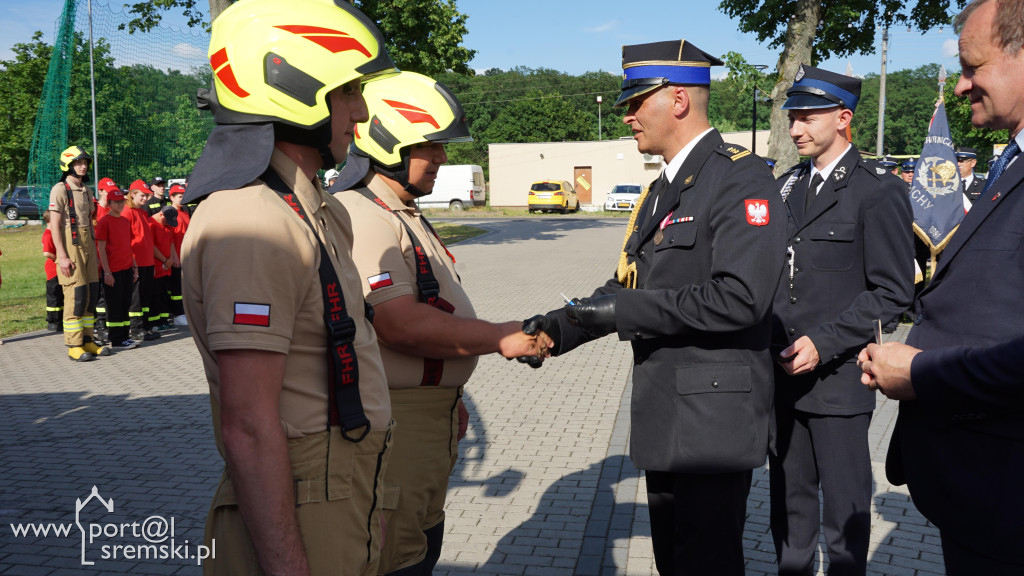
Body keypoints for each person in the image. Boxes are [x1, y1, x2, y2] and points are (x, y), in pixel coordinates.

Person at [523, 39, 786, 575]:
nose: (627, 115)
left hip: (712, 424)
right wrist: (558, 327)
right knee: (674, 561)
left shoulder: (741, 176)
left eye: (637, 101)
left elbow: (741, 298)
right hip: (669, 416)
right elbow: (630, 283)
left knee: (705, 563)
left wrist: (622, 313)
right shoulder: (666, 185)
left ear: (680, 101)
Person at [179, 1, 400, 573]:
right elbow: (249, 425)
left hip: (336, 483)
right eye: (348, 91)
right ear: (292, 85)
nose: (360, 110)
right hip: (304, 490)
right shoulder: (252, 221)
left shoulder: (310, 210)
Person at [331, 70, 547, 576]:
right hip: (398, 425)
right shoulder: (365, 216)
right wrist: (500, 336)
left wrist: (446, 398)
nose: (443, 158)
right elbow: (399, 323)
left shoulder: (400, 211)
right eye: (432, 146)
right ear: (388, 143)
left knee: (420, 544)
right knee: (396, 557)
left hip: (427, 417)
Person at [858, 0, 1024, 572]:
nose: (960, 86)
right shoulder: (1011, 162)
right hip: (982, 496)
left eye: (973, 66)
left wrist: (921, 371)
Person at [768, 65, 914, 576]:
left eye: (807, 117)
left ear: (844, 118)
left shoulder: (877, 190)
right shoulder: (784, 186)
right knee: (788, 514)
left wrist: (823, 342)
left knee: (844, 518)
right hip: (782, 379)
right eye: (792, 117)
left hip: (837, 382)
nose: (795, 129)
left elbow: (892, 292)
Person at [47, 145, 108, 361]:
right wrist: (62, 256)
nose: (83, 166)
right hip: (70, 244)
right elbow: (54, 226)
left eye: (85, 163)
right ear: (68, 165)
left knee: (91, 293)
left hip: (88, 243)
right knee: (76, 294)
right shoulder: (60, 189)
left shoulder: (87, 189)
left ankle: (88, 340)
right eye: (78, 163)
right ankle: (74, 345)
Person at [94, 187, 139, 350]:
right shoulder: (104, 221)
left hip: (126, 268)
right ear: (110, 203)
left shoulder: (125, 221)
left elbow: (128, 246)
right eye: (117, 202)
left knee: (125, 303)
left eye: (122, 202)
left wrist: (134, 266)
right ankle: (116, 338)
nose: (120, 205)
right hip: (112, 270)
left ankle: (125, 336)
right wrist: (107, 272)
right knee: (114, 305)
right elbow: (101, 248)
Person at [125, 180, 159, 342]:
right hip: (136, 263)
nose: (145, 199)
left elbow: (147, 240)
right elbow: (126, 241)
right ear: (132, 194)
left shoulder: (143, 213)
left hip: (147, 262)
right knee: (136, 298)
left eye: (147, 196)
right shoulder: (127, 212)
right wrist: (133, 264)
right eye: (142, 195)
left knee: (146, 297)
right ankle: (136, 329)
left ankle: (144, 327)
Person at [149, 205, 178, 332]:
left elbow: (171, 242)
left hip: (166, 266)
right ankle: (156, 322)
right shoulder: (151, 224)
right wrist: (165, 260)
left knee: (164, 294)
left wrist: (171, 259)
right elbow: (152, 246)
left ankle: (164, 320)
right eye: (167, 220)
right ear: (161, 215)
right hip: (157, 265)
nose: (168, 224)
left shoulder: (167, 225)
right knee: (156, 294)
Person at [167, 184, 189, 326]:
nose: (182, 199)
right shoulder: (170, 214)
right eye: (180, 196)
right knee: (176, 287)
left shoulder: (185, 213)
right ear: (172, 197)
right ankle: (177, 314)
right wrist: (174, 256)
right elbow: (170, 238)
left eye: (183, 196)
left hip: (186, 255)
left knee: (183, 286)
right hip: (177, 256)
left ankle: (184, 311)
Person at [41, 210, 62, 331]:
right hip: (53, 269)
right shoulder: (48, 234)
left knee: (60, 295)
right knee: (53, 296)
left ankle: (59, 319)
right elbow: (47, 253)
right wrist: (58, 259)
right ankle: (52, 320)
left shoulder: (55, 233)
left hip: (58, 268)